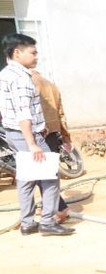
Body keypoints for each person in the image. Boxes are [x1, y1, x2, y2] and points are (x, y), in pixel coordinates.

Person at [0, 33, 73, 236]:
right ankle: (48, 222)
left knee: (26, 178)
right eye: (32, 53)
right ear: (17, 52)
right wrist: (33, 143)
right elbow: (23, 112)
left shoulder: (5, 74)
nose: (36, 56)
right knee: (50, 177)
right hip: (27, 135)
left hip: (14, 134)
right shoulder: (22, 79)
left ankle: (28, 223)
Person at [30, 69, 73, 224]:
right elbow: (61, 113)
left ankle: (59, 208)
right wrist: (66, 137)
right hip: (53, 133)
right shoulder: (51, 85)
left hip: (39, 133)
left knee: (42, 175)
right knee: (49, 173)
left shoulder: (29, 84)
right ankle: (53, 207)